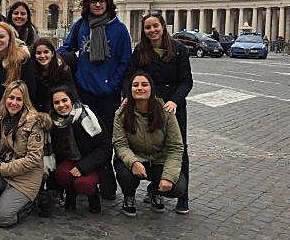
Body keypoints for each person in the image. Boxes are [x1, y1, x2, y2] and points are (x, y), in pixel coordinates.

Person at [58, 0, 131, 200]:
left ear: (108, 3)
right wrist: (51, 56)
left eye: (101, 1)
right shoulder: (81, 25)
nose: (97, 4)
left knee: (105, 138)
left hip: (108, 94)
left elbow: (124, 60)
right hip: (84, 91)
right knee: (84, 136)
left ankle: (106, 182)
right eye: (93, 1)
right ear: (87, 5)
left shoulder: (119, 29)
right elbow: (67, 48)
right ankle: (86, 178)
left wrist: (113, 84)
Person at [124, 12, 193, 213]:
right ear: (144, 30)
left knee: (179, 147)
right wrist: (127, 95)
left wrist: (174, 101)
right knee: (148, 144)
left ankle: (182, 197)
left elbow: (186, 81)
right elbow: (130, 77)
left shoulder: (179, 50)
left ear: (163, 26)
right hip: (147, 105)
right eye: (148, 27)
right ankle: (153, 187)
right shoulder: (140, 50)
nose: (152, 30)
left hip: (172, 106)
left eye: (156, 26)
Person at [0, 80, 51, 227]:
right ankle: (6, 199)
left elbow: (33, 159)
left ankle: (28, 204)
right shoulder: (1, 120)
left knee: (2, 219)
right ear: (5, 99)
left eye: (19, 99)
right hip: (4, 171)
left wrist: (3, 168)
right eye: (11, 98)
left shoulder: (34, 122)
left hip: (25, 177)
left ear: (25, 101)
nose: (14, 103)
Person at [113, 71, 186, 217]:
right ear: (130, 90)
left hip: (158, 161)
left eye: (144, 85)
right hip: (134, 158)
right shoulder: (121, 113)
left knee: (178, 187)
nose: (140, 88)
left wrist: (168, 176)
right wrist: (133, 162)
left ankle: (154, 190)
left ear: (151, 89)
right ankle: (129, 196)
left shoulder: (166, 112)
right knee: (125, 173)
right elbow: (120, 144)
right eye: (135, 85)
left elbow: (175, 147)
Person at [50, 86, 111, 214]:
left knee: (83, 183)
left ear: (72, 100)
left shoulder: (88, 116)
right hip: (70, 160)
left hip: (91, 161)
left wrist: (83, 167)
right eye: (56, 102)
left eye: (64, 100)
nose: (61, 105)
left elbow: (105, 147)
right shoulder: (53, 122)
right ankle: (70, 193)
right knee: (62, 174)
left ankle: (93, 196)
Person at [0, 22, 36, 143]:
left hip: (16, 111)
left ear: (10, 38)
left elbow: (30, 89)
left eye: (1, 37)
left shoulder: (22, 59)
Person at [31, 37, 76, 113]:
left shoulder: (63, 69)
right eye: (38, 53)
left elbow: (70, 92)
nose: (42, 56)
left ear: (52, 53)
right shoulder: (31, 69)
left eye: (46, 52)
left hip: (58, 106)